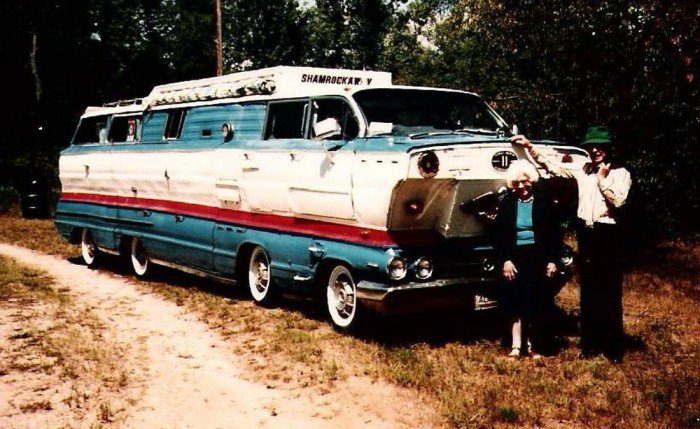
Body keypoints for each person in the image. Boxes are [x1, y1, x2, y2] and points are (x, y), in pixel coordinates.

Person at [510, 126, 632, 362]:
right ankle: (589, 346)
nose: (595, 151)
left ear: (608, 149)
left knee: (608, 292)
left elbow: (619, 200)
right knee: (588, 292)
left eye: (599, 147)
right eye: (591, 147)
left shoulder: (621, 173)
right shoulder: (582, 168)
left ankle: (613, 348)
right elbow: (552, 166)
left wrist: (602, 180)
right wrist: (528, 146)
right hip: (587, 233)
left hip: (608, 234)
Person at [494, 160, 560, 359]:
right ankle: (515, 346)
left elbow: (555, 234)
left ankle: (532, 345)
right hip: (515, 258)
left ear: (532, 180)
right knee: (515, 301)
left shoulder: (543, 202)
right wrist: (505, 260)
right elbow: (500, 236)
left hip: (537, 256)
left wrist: (552, 260)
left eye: (525, 182)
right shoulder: (507, 204)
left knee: (535, 302)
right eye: (517, 183)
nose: (522, 186)